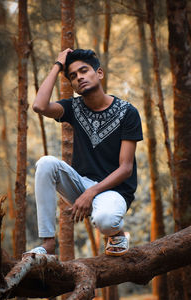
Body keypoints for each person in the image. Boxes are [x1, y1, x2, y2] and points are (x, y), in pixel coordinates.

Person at [27, 48, 143, 257]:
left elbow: (126, 169)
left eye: (84, 70)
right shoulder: (73, 107)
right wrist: (57, 66)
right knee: (45, 163)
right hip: (81, 185)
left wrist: (91, 193)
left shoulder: (128, 112)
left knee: (106, 220)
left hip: (114, 191)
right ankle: (47, 242)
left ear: (99, 73)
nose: (79, 77)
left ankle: (117, 233)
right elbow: (39, 106)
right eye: (73, 76)